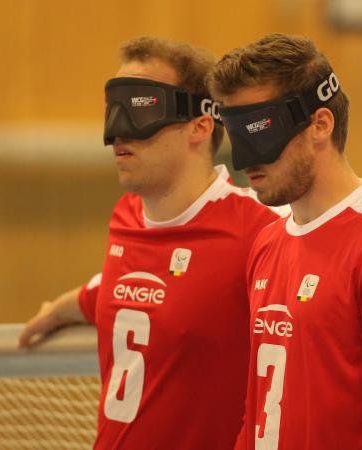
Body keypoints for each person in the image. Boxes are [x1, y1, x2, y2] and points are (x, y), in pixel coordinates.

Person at [18, 36, 285, 449]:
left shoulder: (262, 229)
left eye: (140, 108)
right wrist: (60, 309)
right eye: (113, 108)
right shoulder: (126, 215)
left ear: (200, 126)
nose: (117, 132)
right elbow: (130, 288)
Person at [209, 33, 362, 449]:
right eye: (236, 135)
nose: (243, 160)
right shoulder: (267, 242)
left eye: (257, 132)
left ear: (320, 124)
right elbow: (257, 408)